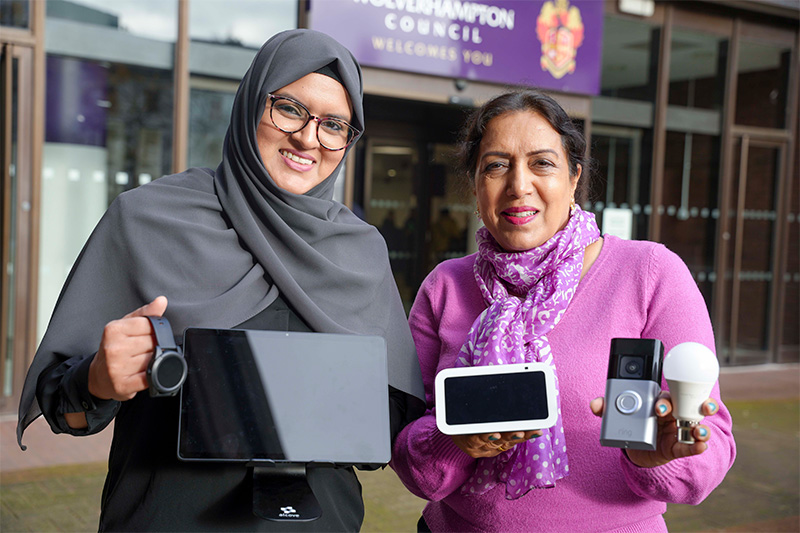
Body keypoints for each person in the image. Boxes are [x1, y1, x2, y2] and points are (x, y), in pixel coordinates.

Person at [17, 29, 424, 532]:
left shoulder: (360, 252)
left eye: (334, 124)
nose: (307, 138)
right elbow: (65, 409)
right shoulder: (149, 220)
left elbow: (387, 425)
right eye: (291, 108)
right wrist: (97, 379)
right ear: (252, 101)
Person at [389, 89, 735, 532]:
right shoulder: (445, 286)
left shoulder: (648, 274)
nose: (518, 185)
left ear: (573, 178)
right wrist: (453, 440)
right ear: (475, 186)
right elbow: (413, 464)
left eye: (542, 163)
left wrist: (654, 458)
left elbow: (707, 457)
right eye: (496, 165)